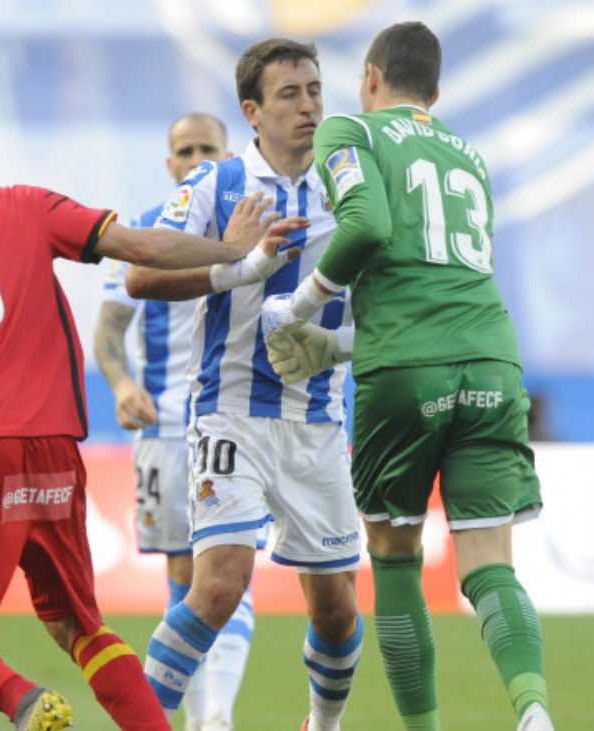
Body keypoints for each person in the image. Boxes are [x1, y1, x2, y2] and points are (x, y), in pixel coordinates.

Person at [0, 99, 300, 731]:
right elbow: (138, 245)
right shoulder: (26, 203)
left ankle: (25, 702)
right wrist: (229, 250)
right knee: (79, 626)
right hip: (55, 445)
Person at [260, 22, 554, 731]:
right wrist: (335, 347)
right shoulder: (468, 156)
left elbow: (363, 226)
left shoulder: (350, 133)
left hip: (405, 377)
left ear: (369, 77)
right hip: (490, 358)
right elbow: (433, 291)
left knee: (394, 556)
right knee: (489, 563)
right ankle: (534, 707)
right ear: (436, 92)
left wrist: (297, 310)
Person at [123, 39, 363, 731]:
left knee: (338, 609)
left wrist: (342, 344)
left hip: (318, 420)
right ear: (252, 111)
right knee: (219, 586)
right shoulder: (215, 185)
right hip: (229, 416)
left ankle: (323, 724)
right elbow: (141, 275)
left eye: (315, 90)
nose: (310, 106)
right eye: (290, 95)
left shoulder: (352, 188)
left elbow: (385, 295)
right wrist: (236, 261)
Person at [93, 112, 260, 731]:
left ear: (228, 155)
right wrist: (122, 383)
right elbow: (109, 329)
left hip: (237, 418)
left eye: (206, 148)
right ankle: (199, 719)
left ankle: (215, 717)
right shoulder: (140, 236)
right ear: (169, 163)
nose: (195, 158)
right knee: (184, 572)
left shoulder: (258, 229)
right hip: (163, 427)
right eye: (184, 150)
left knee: (229, 569)